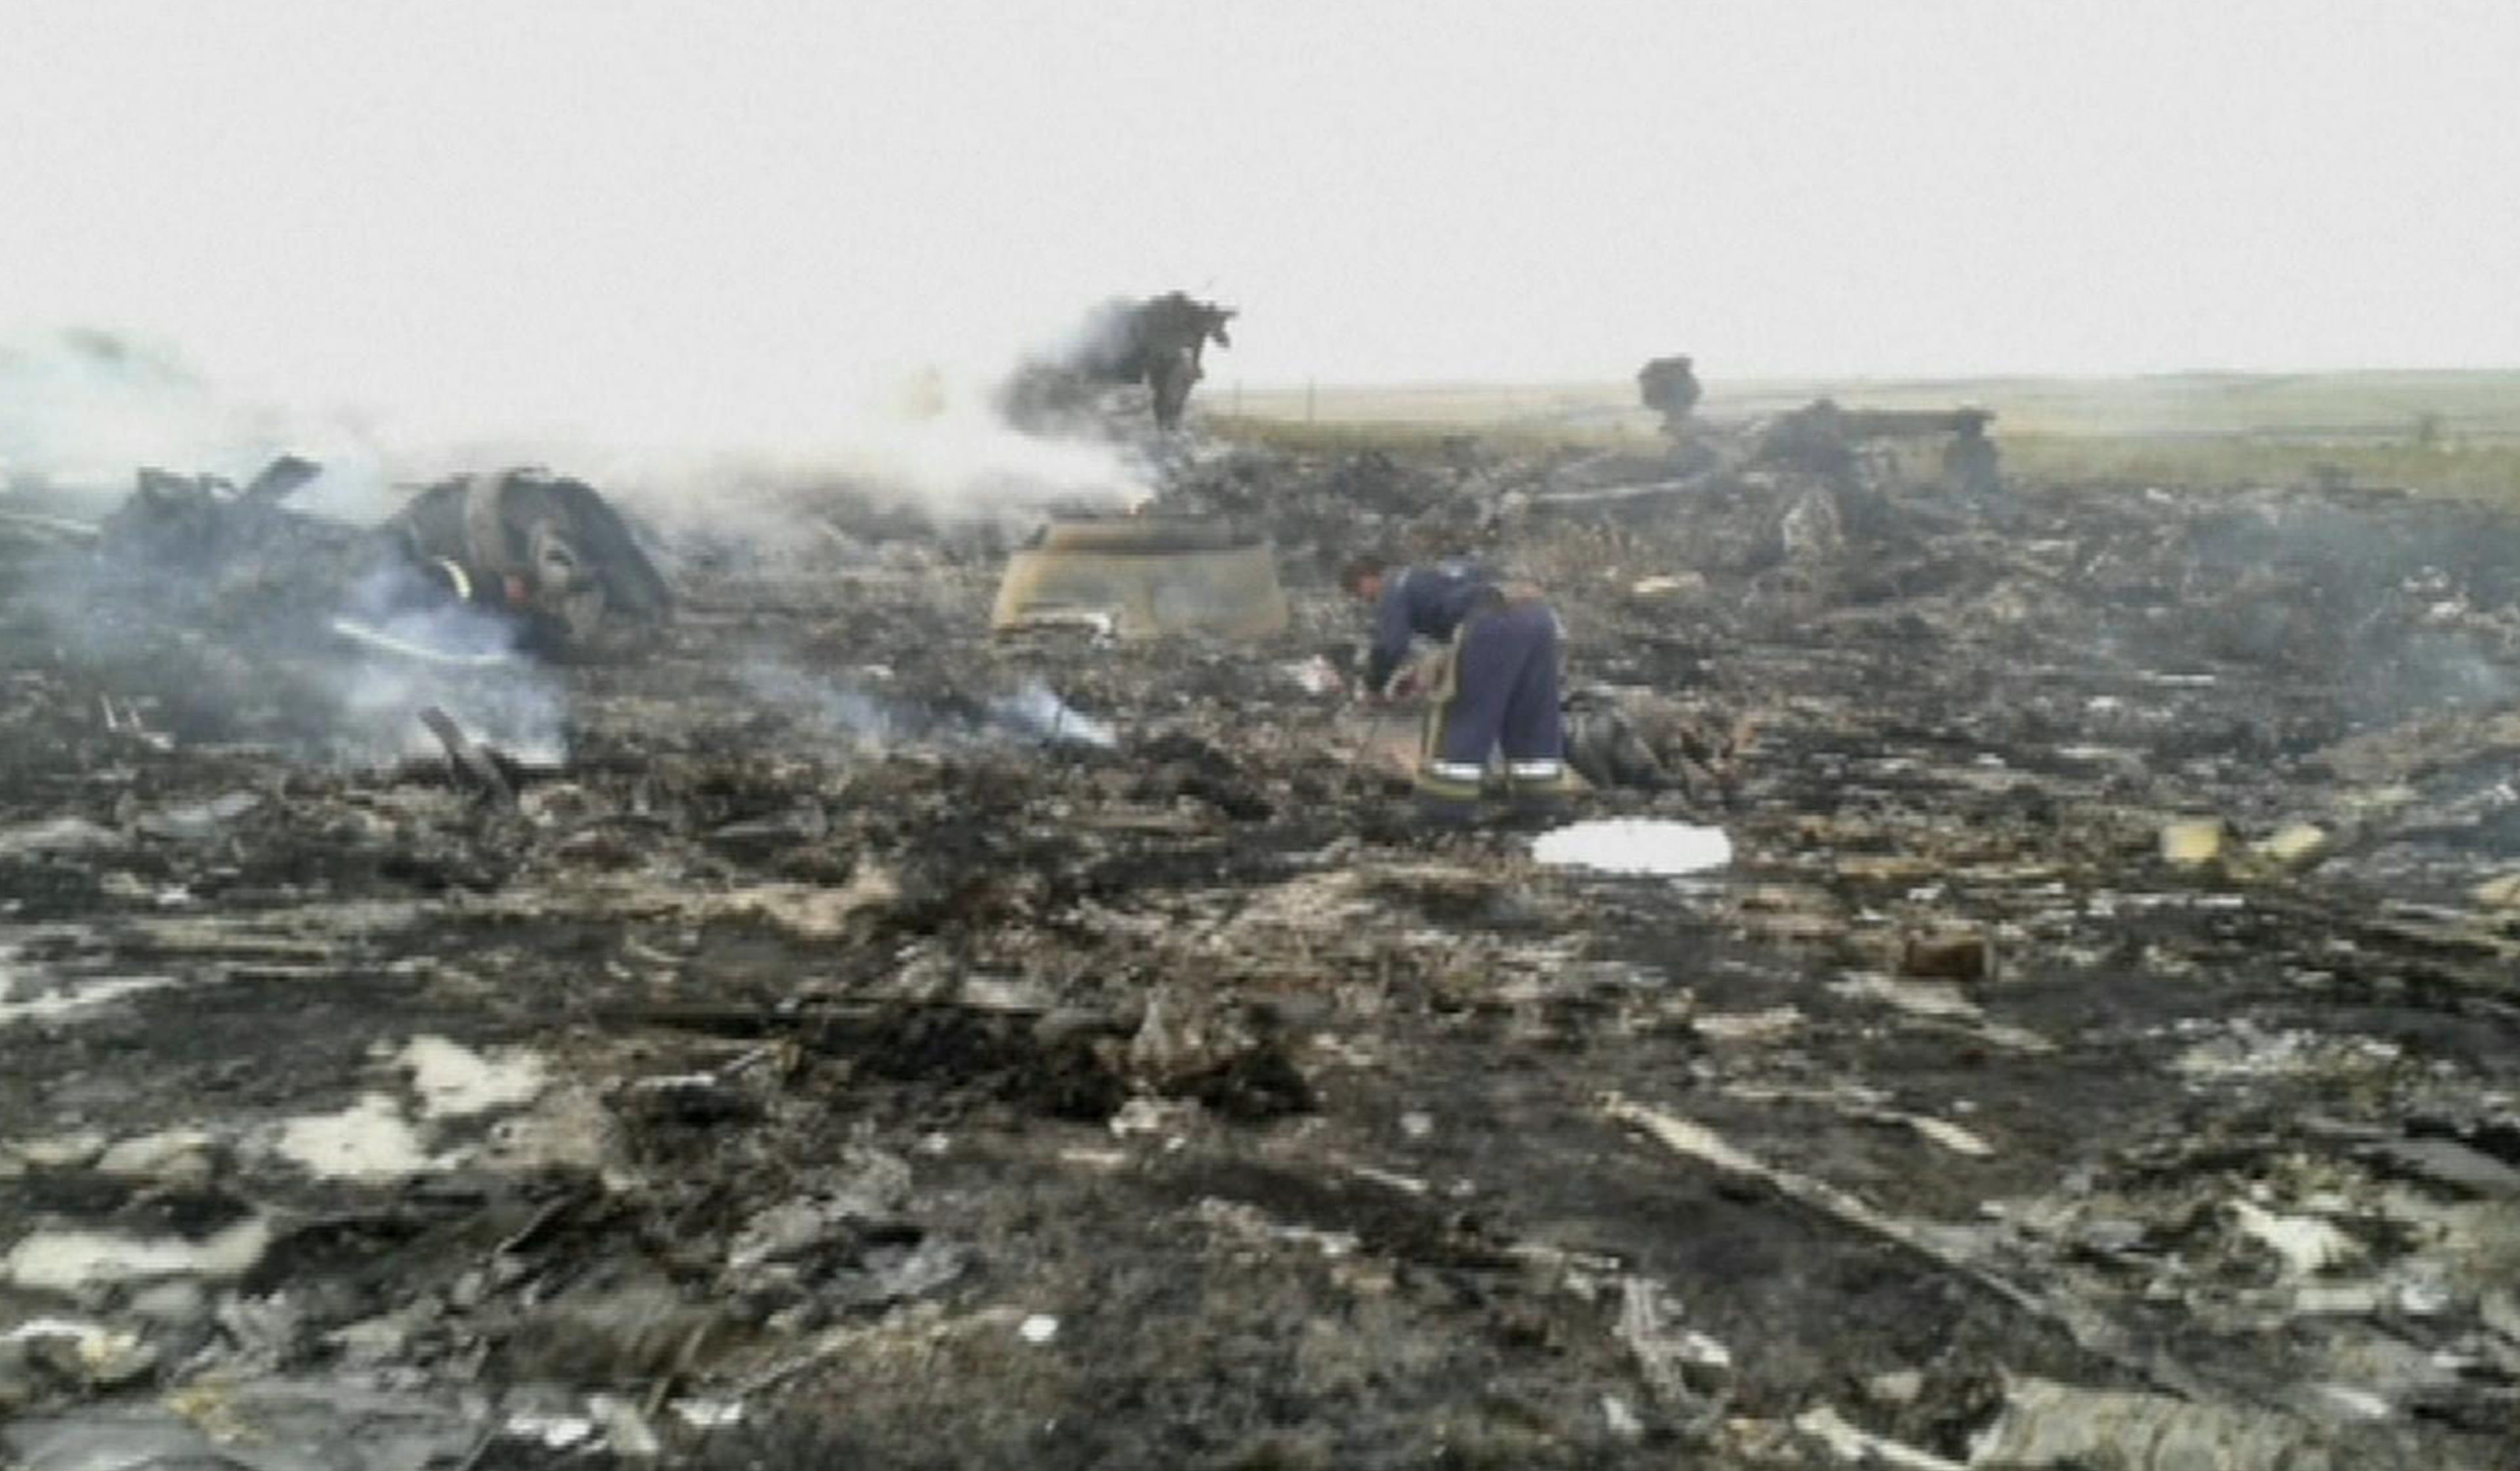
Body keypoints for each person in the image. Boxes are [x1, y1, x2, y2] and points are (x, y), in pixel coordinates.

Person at [1339, 553, 1576, 821]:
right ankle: (1540, 803)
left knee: (1464, 710)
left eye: (1360, 593)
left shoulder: (1395, 586)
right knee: (1529, 712)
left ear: (1368, 579)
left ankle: (1444, 809)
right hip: (1539, 616)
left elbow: (1390, 646)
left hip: (1494, 624)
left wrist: (1374, 685)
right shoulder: (1434, 572)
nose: (1366, 602)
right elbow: (1464, 619)